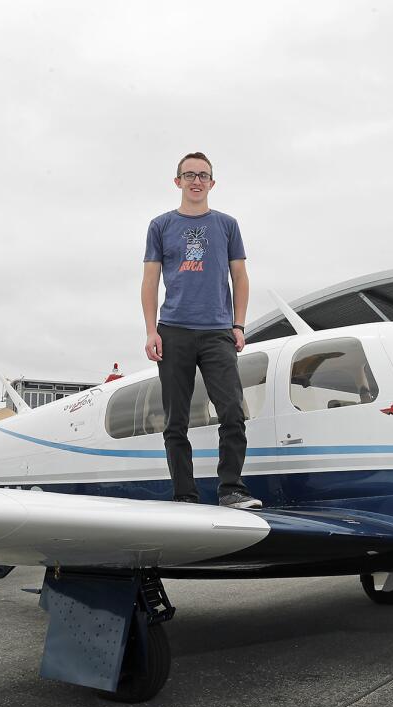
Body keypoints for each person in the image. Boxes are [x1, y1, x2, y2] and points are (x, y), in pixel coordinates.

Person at [141, 152, 262, 509]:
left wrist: (238, 324)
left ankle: (231, 490)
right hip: (173, 330)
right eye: (189, 174)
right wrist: (151, 331)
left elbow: (239, 277)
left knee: (232, 412)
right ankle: (184, 496)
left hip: (217, 333)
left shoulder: (227, 225)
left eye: (203, 175)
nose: (196, 180)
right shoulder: (160, 226)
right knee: (176, 421)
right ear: (177, 181)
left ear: (212, 183)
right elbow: (149, 282)